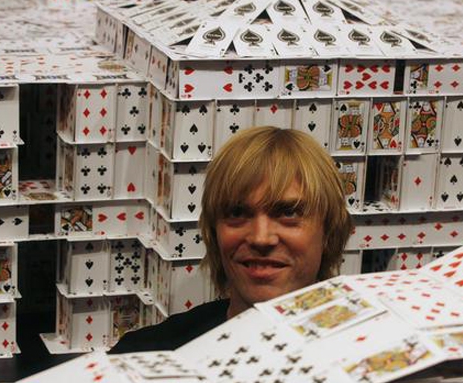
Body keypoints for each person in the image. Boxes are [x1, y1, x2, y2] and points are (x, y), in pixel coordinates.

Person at [110, 126, 352, 353]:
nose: (261, 238)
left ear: (328, 232)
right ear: (213, 232)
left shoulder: (367, 363)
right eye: (237, 213)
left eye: (288, 213)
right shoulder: (140, 354)